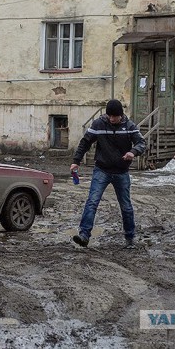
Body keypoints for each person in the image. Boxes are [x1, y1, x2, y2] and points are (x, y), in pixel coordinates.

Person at [71, 99, 146, 249]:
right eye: (109, 116)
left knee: (126, 206)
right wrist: (76, 161)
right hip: (102, 169)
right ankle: (84, 235)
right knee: (92, 202)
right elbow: (85, 142)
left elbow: (141, 143)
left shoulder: (129, 126)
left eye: (115, 116)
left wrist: (133, 152)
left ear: (121, 115)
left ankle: (130, 237)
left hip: (121, 172)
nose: (112, 119)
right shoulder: (99, 124)